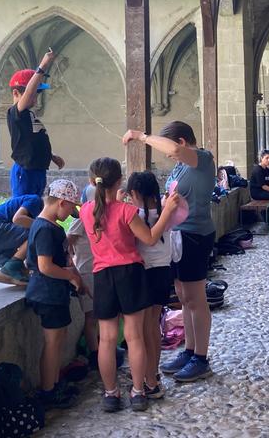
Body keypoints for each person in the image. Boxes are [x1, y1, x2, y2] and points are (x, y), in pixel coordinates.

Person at [79, 157, 180, 413]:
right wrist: (166, 211)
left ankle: (111, 393)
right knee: (134, 337)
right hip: (130, 273)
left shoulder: (86, 211)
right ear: (120, 181)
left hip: (102, 275)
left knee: (107, 339)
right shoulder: (127, 211)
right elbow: (149, 237)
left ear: (92, 182)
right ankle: (137, 391)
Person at [122, 122, 216, 383]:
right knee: (184, 297)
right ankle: (189, 350)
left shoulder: (203, 159)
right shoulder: (181, 165)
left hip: (196, 235)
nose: (170, 156)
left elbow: (172, 148)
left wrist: (140, 136)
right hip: (178, 236)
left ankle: (201, 357)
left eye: (173, 151)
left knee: (196, 298)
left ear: (183, 143)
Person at [24, 179, 85, 410]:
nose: (73, 212)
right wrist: (70, 277)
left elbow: (64, 261)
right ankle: (48, 391)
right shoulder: (44, 229)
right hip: (46, 292)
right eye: (71, 207)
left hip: (54, 293)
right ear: (61, 203)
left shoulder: (52, 228)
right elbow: (45, 266)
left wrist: (76, 276)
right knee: (52, 343)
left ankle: (54, 383)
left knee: (57, 341)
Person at [124, 171, 175, 399]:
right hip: (164, 271)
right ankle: (152, 372)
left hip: (144, 273)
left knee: (142, 331)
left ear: (134, 193)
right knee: (153, 327)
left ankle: (149, 380)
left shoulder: (135, 215)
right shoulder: (166, 211)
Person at [7, 48, 65, 197]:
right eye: (33, 94)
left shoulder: (30, 115)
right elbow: (28, 93)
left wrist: (51, 156)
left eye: (37, 94)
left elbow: (34, 140)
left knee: (36, 205)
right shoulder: (16, 112)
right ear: (16, 93)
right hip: (25, 170)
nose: (35, 98)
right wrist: (43, 65)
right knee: (23, 207)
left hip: (38, 169)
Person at [66, 184, 100, 369]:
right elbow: (66, 241)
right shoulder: (82, 218)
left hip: (98, 270)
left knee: (98, 314)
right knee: (91, 316)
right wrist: (69, 259)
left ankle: (98, 347)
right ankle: (94, 353)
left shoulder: (99, 216)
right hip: (86, 272)